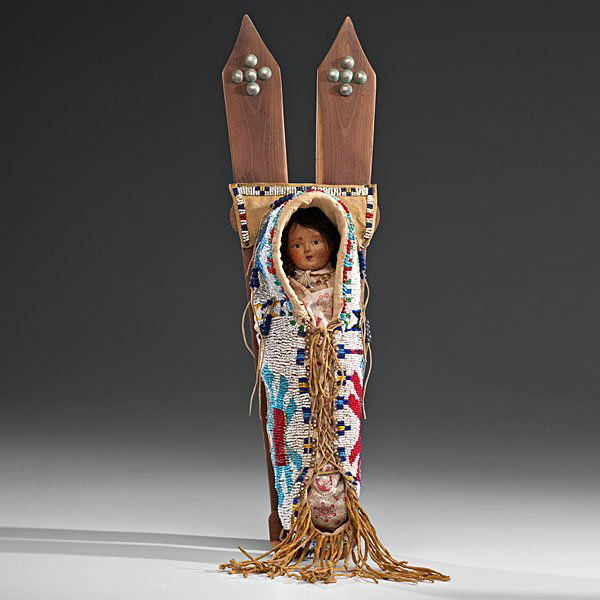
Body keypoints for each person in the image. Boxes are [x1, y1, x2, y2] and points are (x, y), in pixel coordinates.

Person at [281, 207, 347, 532]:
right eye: (297, 244)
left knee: (337, 435)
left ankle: (337, 518)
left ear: (332, 243)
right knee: (296, 436)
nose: (307, 250)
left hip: (333, 369)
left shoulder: (341, 281)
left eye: (315, 241)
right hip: (297, 370)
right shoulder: (286, 284)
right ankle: (295, 520)